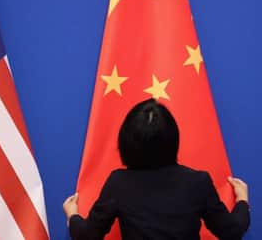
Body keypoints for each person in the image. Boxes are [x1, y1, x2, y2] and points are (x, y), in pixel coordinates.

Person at [63, 98, 250, 240]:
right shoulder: (198, 182)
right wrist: (242, 200)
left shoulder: (118, 184)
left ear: (126, 142)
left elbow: (87, 236)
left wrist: (72, 214)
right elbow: (231, 231)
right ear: (173, 139)